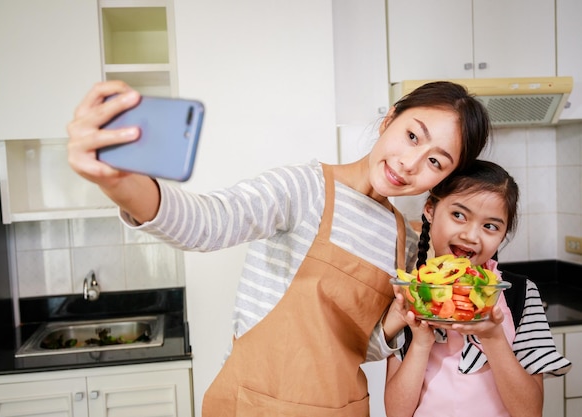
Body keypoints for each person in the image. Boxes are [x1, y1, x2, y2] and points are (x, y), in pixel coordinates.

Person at [67, 79, 491, 416]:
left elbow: (360, 348)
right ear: (390, 120)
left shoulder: (404, 237)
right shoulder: (304, 188)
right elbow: (205, 223)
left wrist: (397, 321)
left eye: (436, 161)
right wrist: (118, 181)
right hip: (256, 407)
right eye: (413, 136)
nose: (410, 163)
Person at [384, 160, 572, 417]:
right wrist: (420, 343)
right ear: (430, 209)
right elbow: (396, 413)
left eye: (490, 226)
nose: (471, 236)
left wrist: (493, 338)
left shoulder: (521, 294)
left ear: (503, 234)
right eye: (458, 215)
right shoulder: (407, 293)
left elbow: (530, 412)